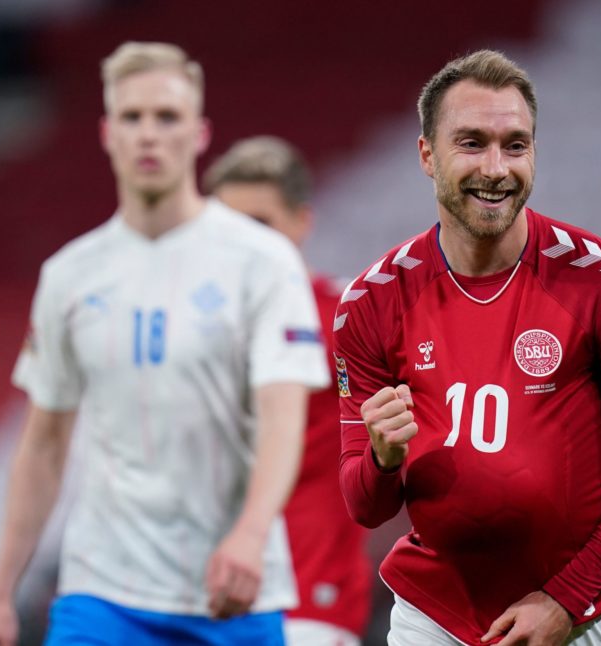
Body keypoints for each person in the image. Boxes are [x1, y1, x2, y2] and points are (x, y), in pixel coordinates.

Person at [0, 42, 329, 646]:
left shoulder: (263, 262)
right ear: (108, 133)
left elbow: (281, 423)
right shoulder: (70, 275)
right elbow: (44, 444)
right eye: (132, 118)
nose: (149, 134)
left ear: (200, 132)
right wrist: (1, 595)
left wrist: (249, 532)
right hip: (104, 591)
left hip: (233, 589)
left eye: (167, 117)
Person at [333, 50, 601, 646]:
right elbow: (365, 506)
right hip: (436, 613)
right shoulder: (371, 303)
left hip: (584, 613)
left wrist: (566, 600)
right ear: (427, 154)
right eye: (471, 143)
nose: (496, 168)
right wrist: (382, 458)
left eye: (515, 145)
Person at [203, 136, 373, 646]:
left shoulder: (355, 319)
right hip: (202, 597)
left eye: (259, 224)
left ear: (302, 221)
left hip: (309, 597)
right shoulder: (194, 331)